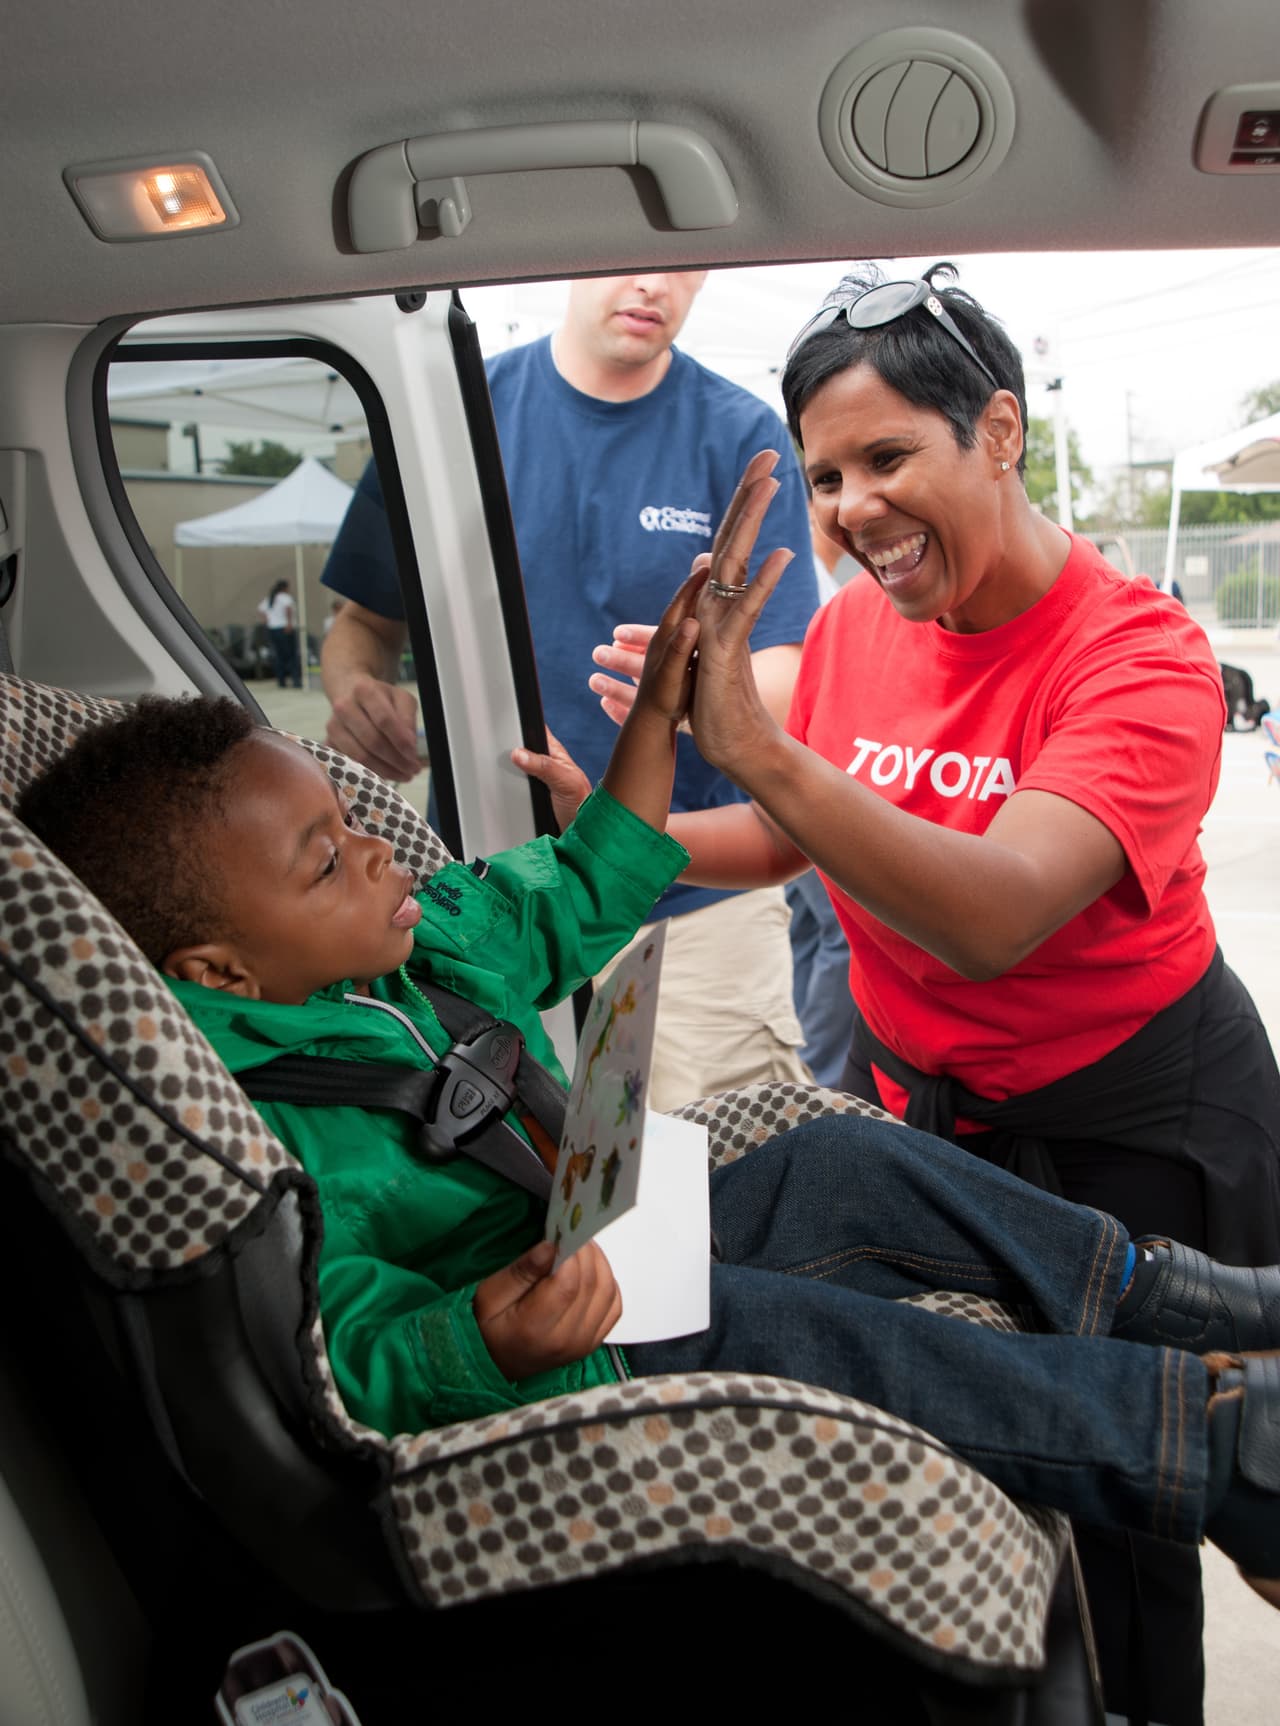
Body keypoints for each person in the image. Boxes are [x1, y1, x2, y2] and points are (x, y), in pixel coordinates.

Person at [15, 550, 1280, 1623]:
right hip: (549, 1346)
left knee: (842, 1161)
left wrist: (660, 716)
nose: (373, 850)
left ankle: (1158, 1294)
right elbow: (345, 1353)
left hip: (593, 1215)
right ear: (218, 965)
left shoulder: (425, 937)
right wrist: (486, 1337)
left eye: (354, 827)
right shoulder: (250, 1124)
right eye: (324, 865)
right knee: (789, 1332)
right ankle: (1216, 1452)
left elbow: (590, 875)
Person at [563, 263, 1280, 1724]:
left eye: (888, 457)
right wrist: (612, 841)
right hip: (940, 1132)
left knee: (1190, 1509)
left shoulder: (1139, 658)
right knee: (1052, 1474)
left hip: (1147, 1131)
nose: (852, 509)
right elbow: (791, 833)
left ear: (999, 431)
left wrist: (756, 746)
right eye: (827, 474)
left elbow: (996, 916)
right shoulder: (857, 628)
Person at [319, 272, 822, 1111]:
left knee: (716, 1180)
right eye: (624, 256)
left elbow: (782, 670)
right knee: (511, 1197)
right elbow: (361, 625)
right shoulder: (452, 412)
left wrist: (701, 697)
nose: (653, 282)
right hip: (481, 903)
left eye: (681, 262)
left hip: (687, 913)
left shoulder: (741, 436)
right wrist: (357, 689)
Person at [784, 494, 858, 1087]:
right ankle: (825, 1072)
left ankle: (808, 1056)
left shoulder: (823, 579)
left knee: (811, 927)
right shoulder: (810, 584)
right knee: (844, 930)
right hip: (811, 781)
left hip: (805, 780)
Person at [257, 578, 301, 688]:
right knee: (292, 655)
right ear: (285, 588)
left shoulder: (270, 598)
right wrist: (289, 623)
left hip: (273, 629)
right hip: (284, 628)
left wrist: (266, 620)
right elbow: (288, 609)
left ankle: (281, 681)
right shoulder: (285, 597)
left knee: (279, 655)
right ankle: (296, 681)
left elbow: (261, 609)